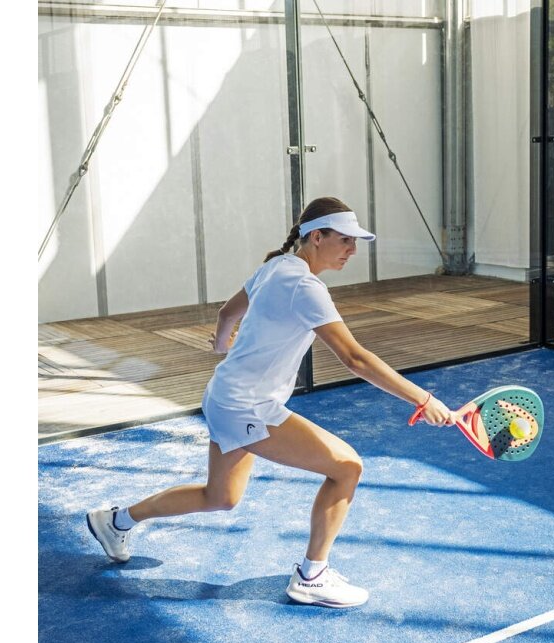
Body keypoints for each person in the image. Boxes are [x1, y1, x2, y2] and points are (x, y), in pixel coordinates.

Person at [87, 196, 453, 608]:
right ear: (317, 237)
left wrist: (223, 346)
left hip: (225, 396)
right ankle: (312, 576)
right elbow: (355, 359)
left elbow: (227, 314)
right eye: (345, 240)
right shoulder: (305, 287)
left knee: (220, 497)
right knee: (347, 467)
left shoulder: (276, 267)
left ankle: (115, 520)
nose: (352, 249)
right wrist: (423, 399)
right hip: (247, 407)